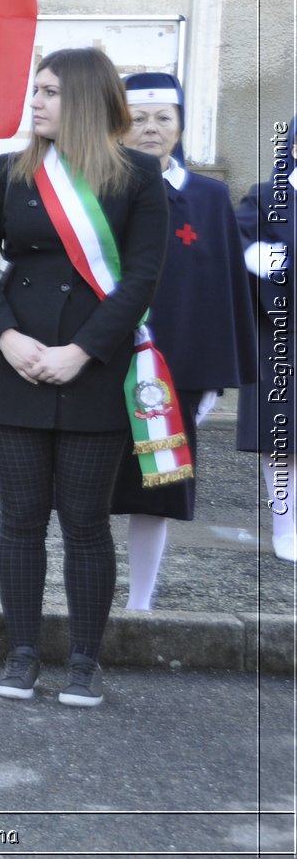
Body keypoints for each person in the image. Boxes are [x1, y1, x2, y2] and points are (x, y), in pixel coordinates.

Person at [0, 46, 170, 707]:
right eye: (35, 89)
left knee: (84, 520)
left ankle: (84, 659)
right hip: (13, 366)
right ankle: (22, 653)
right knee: (20, 517)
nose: (36, 101)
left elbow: (142, 275)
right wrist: (9, 337)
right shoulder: (8, 170)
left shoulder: (137, 175)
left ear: (81, 97)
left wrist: (82, 350)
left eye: (49, 91)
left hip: (95, 368)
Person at [107, 72, 255, 608]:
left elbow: (224, 293)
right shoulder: (94, 193)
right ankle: (89, 595)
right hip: (100, 366)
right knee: (87, 490)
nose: (150, 129)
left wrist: (212, 381)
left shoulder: (211, 199)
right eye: (138, 118)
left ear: (180, 124)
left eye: (162, 118)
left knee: (158, 486)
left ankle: (140, 602)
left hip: (173, 380)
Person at [237, 122, 297, 562]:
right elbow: (240, 248)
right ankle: (285, 526)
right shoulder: (265, 198)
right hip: (282, 332)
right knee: (282, 438)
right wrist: (277, 264)